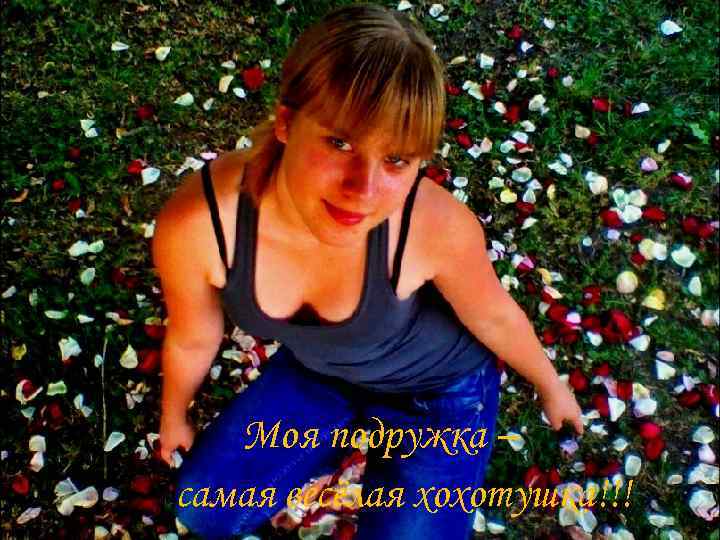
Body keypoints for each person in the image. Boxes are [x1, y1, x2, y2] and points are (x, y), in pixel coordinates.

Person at [152, 3, 583, 538]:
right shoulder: (202, 225)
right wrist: (174, 414)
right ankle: (338, 435)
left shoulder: (432, 227)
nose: (364, 190)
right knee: (204, 510)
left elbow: (493, 316)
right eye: (340, 142)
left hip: (436, 397)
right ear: (286, 122)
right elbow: (193, 336)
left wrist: (550, 385)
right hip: (320, 374)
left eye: (397, 160)